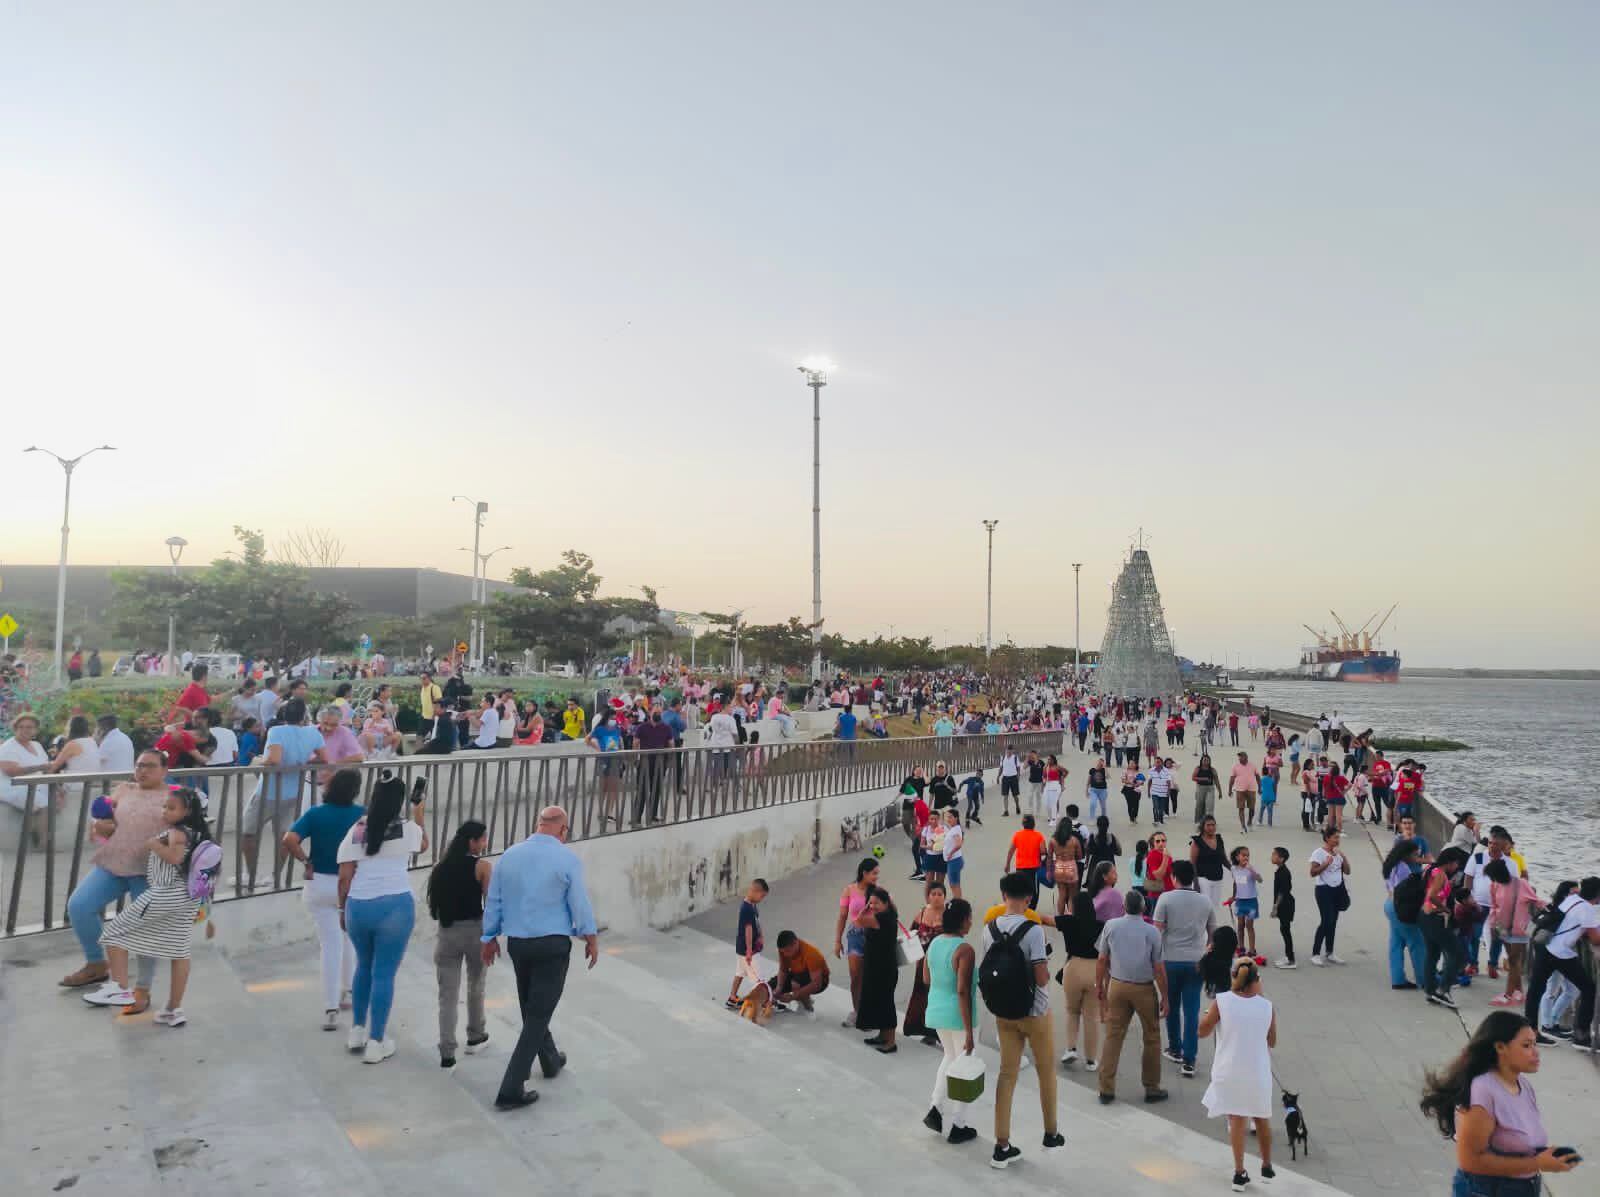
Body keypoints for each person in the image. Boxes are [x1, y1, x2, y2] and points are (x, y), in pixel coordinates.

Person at [478, 806, 597, 1110]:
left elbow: (494, 899)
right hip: (552, 945)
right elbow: (579, 903)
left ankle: (550, 1059)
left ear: (538, 825)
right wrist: (590, 936)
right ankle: (511, 1088)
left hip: (519, 943)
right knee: (538, 1014)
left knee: (533, 1007)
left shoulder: (510, 855)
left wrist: (488, 936)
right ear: (563, 830)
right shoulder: (566, 858)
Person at [1419, 1011, 1581, 1194]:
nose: (1536, 1053)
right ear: (1500, 1047)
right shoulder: (1482, 1091)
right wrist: (1537, 1163)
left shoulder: (1523, 1085)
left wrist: (1548, 1156)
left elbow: (1515, 1139)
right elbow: (1470, 1160)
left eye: (1535, 1044)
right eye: (1526, 1045)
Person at [94, 787, 213, 1026]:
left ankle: (119, 989)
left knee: (113, 933)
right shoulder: (201, 834)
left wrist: (153, 844)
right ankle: (173, 1009)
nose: (165, 811)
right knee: (180, 953)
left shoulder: (177, 833)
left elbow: (175, 858)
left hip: (165, 892)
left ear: (187, 811)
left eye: (171, 808)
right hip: (187, 899)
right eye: (165, 807)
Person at [64, 749, 169, 1008]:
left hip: (149, 872)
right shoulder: (123, 790)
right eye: (139, 765)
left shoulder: (174, 797)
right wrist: (99, 826)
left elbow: (189, 834)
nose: (142, 771)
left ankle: (142, 989)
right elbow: (102, 820)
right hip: (113, 863)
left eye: (150, 766)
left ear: (165, 770)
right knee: (79, 906)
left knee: (146, 930)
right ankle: (96, 963)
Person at [337, 775, 428, 1064]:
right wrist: (419, 810)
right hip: (395, 906)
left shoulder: (357, 829)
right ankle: (377, 1041)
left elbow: (344, 876)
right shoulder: (406, 829)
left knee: (363, 966)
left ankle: (357, 1030)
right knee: (384, 973)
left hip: (358, 906)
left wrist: (343, 910)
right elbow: (423, 845)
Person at [988, 871, 1063, 1169]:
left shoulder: (989, 929)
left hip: (1003, 1012)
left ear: (1004, 896)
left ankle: (1001, 1144)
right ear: (1029, 898)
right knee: (1046, 1072)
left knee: (1007, 1075)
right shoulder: (1033, 930)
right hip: (1034, 1012)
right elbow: (1042, 978)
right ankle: (1050, 1132)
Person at [283, 768, 366, 1029]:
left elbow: (290, 839)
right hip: (351, 884)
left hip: (319, 882)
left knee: (330, 945)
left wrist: (306, 861)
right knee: (349, 937)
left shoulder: (316, 814)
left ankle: (331, 1007)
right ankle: (349, 991)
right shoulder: (362, 815)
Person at [1199, 956, 1279, 1192]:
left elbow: (1202, 1031)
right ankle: (1266, 1166)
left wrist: (1210, 1019)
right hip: (1257, 1072)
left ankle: (1239, 1173)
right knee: (1262, 1117)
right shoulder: (1267, 1007)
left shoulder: (1221, 1002)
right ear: (1256, 980)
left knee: (1236, 1120)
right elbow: (1272, 1041)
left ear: (1234, 977)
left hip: (1229, 1071)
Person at [427, 819, 494, 1068]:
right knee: (476, 985)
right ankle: (476, 1036)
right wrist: (492, 936)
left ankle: (447, 1051)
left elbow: (435, 906)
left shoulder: (440, 868)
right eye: (483, 839)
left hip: (447, 933)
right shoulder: (483, 867)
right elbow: (491, 904)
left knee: (447, 995)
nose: (485, 844)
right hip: (474, 931)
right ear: (472, 841)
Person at [1096, 888, 1170, 1106]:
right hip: (1144, 988)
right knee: (1151, 1036)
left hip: (1117, 986)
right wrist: (1165, 996)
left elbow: (1102, 960)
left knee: (1113, 1036)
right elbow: (1158, 968)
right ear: (1144, 907)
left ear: (1123, 907)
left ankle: (1106, 1089)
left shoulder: (1111, 926)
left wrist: (1099, 985)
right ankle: (1151, 1087)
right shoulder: (1152, 932)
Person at [243, 697, 326, 890]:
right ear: (304, 716)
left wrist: (259, 761)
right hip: (292, 792)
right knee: (284, 836)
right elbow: (324, 758)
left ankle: (250, 875)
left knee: (248, 833)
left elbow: (274, 759)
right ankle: (275, 877)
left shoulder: (276, 731)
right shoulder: (313, 733)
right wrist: (302, 765)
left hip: (268, 791)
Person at [921, 898, 979, 1145]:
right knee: (965, 1068)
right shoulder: (965, 950)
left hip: (936, 1010)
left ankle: (935, 1107)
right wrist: (968, 1030)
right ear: (964, 920)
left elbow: (926, 978)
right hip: (959, 1015)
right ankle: (959, 1124)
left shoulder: (935, 943)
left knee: (949, 1057)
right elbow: (963, 990)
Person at [1523, 876, 1600, 1048]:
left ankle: (1531, 1032)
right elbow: (1595, 939)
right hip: (1560, 953)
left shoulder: (1573, 899)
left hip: (1546, 946)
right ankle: (1581, 1036)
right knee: (1589, 989)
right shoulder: (1587, 909)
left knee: (1535, 989)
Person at [1156, 859, 1216, 1079]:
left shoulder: (1166, 899)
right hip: (1196, 962)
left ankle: (1175, 1048)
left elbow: (1157, 933)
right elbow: (1212, 933)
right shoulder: (1205, 901)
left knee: (1171, 1004)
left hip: (1170, 961)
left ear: (1173, 877)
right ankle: (1189, 1060)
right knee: (1192, 1011)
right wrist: (1206, 950)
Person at [1055, 887, 1104, 1072]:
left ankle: (1071, 1048)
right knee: (1092, 1017)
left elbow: (1045, 920)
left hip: (1073, 969)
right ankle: (1091, 1060)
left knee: (1072, 1011)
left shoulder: (1068, 922)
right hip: (1094, 971)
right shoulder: (1101, 925)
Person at [1420, 846, 1470, 1011]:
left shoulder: (1429, 869)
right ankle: (1443, 990)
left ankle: (1430, 990)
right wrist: (1445, 909)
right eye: (1456, 863)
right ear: (1450, 862)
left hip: (1424, 916)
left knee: (1432, 954)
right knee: (1457, 954)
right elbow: (1432, 895)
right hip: (1435, 918)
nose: (1457, 866)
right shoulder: (1440, 874)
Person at [1487, 859, 1541, 1010]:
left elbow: (1536, 901)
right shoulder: (1495, 885)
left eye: (1494, 876)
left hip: (1519, 929)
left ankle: (1508, 995)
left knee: (1513, 960)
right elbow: (1494, 906)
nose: (1493, 880)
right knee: (1514, 962)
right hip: (1502, 929)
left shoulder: (1521, 884)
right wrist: (1492, 925)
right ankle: (1520, 993)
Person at [834, 858, 880, 1026]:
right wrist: (837, 941)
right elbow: (842, 916)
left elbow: (888, 914)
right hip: (854, 936)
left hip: (873, 937)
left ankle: (868, 1012)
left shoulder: (878, 891)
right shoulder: (849, 890)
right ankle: (857, 1011)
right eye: (874, 873)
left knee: (870, 977)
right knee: (855, 977)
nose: (876, 877)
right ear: (864, 873)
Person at [856, 886, 900, 1053]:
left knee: (886, 1004)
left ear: (886, 903)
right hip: (883, 967)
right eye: (871, 902)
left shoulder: (879, 919)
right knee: (883, 1003)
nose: (872, 906)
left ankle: (891, 1042)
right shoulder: (891, 915)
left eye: (875, 903)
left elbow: (858, 921)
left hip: (882, 969)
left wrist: (865, 908)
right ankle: (883, 1036)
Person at [903, 881, 947, 1045]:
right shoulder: (921, 914)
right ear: (928, 896)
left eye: (939, 894)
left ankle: (941, 1034)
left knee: (939, 997)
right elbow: (911, 935)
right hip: (922, 964)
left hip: (941, 964)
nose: (936, 898)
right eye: (933, 894)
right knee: (922, 996)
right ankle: (925, 1030)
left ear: (944, 897)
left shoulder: (949, 915)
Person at [1383, 837, 1428, 990]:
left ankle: (1398, 979)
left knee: (1396, 943)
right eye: (1415, 855)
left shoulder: (1390, 865)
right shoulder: (1403, 868)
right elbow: (1406, 893)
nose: (1417, 858)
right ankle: (1425, 980)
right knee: (1417, 943)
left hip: (1389, 904)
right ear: (1406, 854)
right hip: (1399, 906)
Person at [1308, 827, 1352, 966]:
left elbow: (1347, 871)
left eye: (1338, 837)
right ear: (1327, 838)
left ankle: (1330, 952)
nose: (1337, 840)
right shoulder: (1318, 853)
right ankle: (1315, 953)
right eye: (1335, 837)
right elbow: (1313, 872)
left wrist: (1343, 857)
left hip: (1337, 889)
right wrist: (1326, 864)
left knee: (1333, 921)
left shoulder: (1338, 854)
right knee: (1326, 920)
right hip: (1323, 890)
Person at [726, 878, 770, 1010]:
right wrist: (750, 951)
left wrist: (761, 935)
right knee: (759, 980)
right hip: (748, 951)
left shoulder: (752, 905)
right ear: (755, 891)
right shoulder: (746, 908)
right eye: (762, 896)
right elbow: (748, 929)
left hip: (742, 949)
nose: (762, 899)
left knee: (739, 973)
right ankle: (763, 1003)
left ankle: (732, 998)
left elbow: (757, 922)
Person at [771, 930, 830, 1011]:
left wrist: (793, 996)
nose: (785, 955)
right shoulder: (784, 950)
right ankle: (801, 998)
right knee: (770, 987)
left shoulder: (812, 954)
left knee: (796, 983)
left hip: (820, 980)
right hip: (798, 972)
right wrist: (779, 988)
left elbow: (817, 984)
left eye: (787, 951)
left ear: (795, 943)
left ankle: (808, 1009)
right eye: (783, 952)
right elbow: (783, 970)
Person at [1004, 814, 1047, 909]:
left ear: (1023, 824)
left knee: (1022, 889)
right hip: (1034, 868)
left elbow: (1011, 851)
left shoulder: (1017, 835)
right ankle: (1031, 910)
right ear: (1034, 824)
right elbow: (1043, 851)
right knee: (1034, 890)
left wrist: (1007, 864)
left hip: (1021, 868)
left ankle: (1021, 908)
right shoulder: (1039, 836)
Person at [1190, 816, 1229, 912]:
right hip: (1203, 879)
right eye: (1208, 825)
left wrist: (1234, 869)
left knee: (1214, 908)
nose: (1211, 827)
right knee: (1204, 907)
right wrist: (1195, 883)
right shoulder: (1197, 841)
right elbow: (1192, 863)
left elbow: (1223, 858)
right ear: (1203, 826)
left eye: (1213, 825)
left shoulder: (1219, 839)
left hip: (1218, 878)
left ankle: (1211, 927)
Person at [1231, 846, 1263, 957]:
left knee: (1249, 925)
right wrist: (1233, 897)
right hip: (1240, 901)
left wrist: (1251, 870)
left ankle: (1252, 949)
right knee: (1240, 925)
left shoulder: (1250, 869)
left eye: (1248, 855)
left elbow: (1260, 880)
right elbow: (1235, 883)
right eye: (1243, 855)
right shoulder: (1234, 869)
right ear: (1237, 857)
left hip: (1251, 902)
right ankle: (1241, 947)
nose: (1246, 857)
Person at [1269, 847, 1296, 969]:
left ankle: (1291, 960)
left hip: (1285, 905)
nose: (1272, 856)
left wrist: (1275, 907)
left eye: (1274, 854)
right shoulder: (1280, 870)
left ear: (1281, 858)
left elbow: (1282, 892)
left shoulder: (1284, 872)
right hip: (1284, 904)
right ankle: (1288, 956)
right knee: (1284, 930)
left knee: (1286, 931)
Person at [1227, 752, 1260, 834]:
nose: (1240, 759)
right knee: (1241, 808)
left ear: (1246, 757)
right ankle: (1243, 826)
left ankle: (1249, 821)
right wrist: (1230, 790)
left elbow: (1258, 776)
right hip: (1239, 790)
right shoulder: (1235, 766)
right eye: (1239, 757)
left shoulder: (1253, 766)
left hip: (1251, 789)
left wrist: (1260, 787)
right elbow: (1232, 778)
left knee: (1252, 808)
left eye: (1242, 757)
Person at [941, 809, 966, 899]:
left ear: (956, 818)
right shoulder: (955, 828)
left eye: (950, 817)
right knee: (955, 883)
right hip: (955, 860)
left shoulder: (955, 830)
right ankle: (958, 901)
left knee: (954, 884)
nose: (948, 819)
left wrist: (950, 853)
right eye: (948, 817)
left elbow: (959, 844)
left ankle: (957, 902)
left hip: (954, 860)